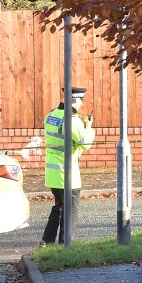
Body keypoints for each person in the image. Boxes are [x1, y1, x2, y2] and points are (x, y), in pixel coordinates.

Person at [41, 86, 95, 245]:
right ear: (74, 100)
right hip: (68, 174)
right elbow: (84, 143)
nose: (81, 105)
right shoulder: (72, 120)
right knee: (71, 209)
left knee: (58, 207)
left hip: (53, 173)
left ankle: (47, 240)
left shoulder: (50, 115)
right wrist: (89, 127)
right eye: (80, 101)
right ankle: (66, 243)